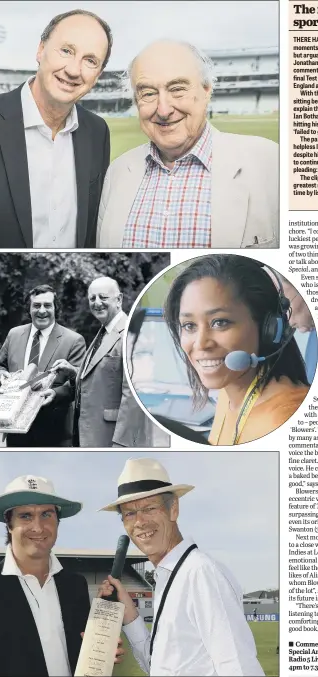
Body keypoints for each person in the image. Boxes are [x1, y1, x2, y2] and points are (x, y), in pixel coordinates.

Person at [0, 9, 111, 248]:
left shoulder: (97, 132)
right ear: (40, 50)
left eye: (90, 60)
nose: (73, 70)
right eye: (66, 50)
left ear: (98, 74)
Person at [97, 40, 278, 249]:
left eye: (177, 89)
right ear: (136, 101)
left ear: (207, 91)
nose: (163, 110)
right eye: (148, 94)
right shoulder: (117, 172)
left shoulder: (270, 162)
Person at [0, 474, 124, 676]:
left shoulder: (75, 585)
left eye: (46, 514)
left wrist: (97, 653)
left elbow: (72, 656)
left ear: (57, 522)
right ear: (9, 525)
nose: (38, 527)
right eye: (25, 516)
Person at [98, 457, 265, 676]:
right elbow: (159, 665)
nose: (139, 521)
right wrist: (129, 614)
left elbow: (238, 667)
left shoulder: (200, 572)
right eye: (129, 513)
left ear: (173, 509)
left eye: (149, 508)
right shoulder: (170, 576)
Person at [163, 254, 309, 445]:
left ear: (269, 328)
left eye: (220, 322)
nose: (200, 344)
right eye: (189, 325)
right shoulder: (229, 393)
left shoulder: (285, 414)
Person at [46, 276, 157, 447]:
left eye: (103, 297)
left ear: (119, 299)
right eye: (92, 298)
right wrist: (73, 375)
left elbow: (135, 397)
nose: (97, 303)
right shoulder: (103, 333)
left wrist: (122, 444)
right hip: (91, 437)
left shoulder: (133, 334)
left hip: (113, 440)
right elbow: (100, 381)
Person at [0, 284, 86, 447]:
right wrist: (2, 377)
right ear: (29, 309)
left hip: (54, 432)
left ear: (55, 308)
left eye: (47, 305)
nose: (42, 310)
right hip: (16, 431)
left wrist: (55, 393)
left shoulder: (74, 340)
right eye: (36, 305)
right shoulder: (14, 334)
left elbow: (80, 382)